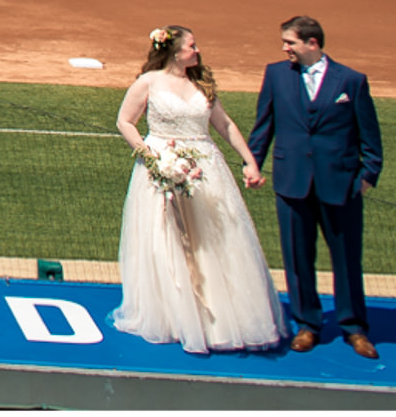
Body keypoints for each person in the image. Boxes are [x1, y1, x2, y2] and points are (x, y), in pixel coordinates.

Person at [108, 25, 285, 354]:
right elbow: (125, 121)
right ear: (175, 51)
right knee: (167, 241)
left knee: (215, 239)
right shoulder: (148, 82)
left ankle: (214, 318)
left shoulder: (201, 85)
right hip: (163, 165)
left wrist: (250, 161)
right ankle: (175, 316)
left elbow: (225, 125)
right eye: (192, 46)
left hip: (206, 169)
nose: (197, 50)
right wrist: (151, 158)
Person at [247, 14, 384, 357]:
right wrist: (253, 163)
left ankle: (354, 327)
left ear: (313, 43)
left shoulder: (351, 81)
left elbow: (369, 133)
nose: (284, 48)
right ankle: (308, 324)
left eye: (290, 42)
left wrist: (368, 176)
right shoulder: (276, 75)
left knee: (347, 259)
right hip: (292, 182)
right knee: (297, 258)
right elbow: (264, 124)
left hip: (340, 185)